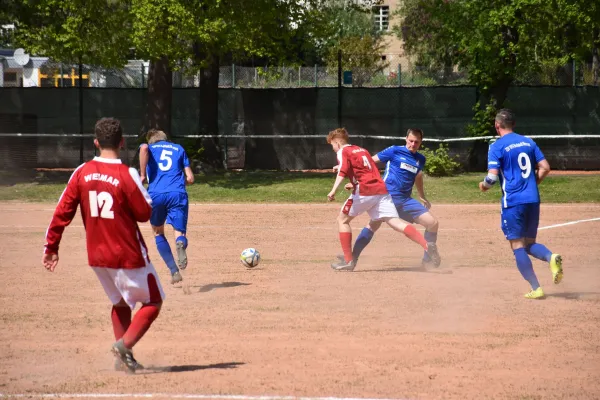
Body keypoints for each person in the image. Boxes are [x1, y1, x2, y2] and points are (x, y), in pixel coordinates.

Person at [42, 117, 164, 373]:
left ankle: (122, 361)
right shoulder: (126, 174)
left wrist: (52, 248)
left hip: (97, 255)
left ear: (96, 142)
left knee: (120, 302)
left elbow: (62, 211)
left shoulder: (81, 172)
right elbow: (143, 213)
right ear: (122, 142)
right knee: (153, 301)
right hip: (127, 254)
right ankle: (124, 346)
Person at [326, 128, 440, 271]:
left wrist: (422, 196)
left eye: (416, 142)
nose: (413, 144)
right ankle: (352, 257)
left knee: (433, 223)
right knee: (375, 224)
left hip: (402, 199)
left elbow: (418, 176)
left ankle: (427, 258)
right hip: (388, 194)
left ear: (421, 142)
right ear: (406, 139)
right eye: (410, 141)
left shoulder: (420, 159)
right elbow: (368, 162)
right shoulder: (394, 150)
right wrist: (357, 179)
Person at [479, 109, 563, 299]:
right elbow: (545, 168)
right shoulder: (529, 142)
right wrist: (532, 184)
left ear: (496, 125)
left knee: (517, 245)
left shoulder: (497, 146)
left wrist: (483, 186)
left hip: (514, 202)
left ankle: (536, 288)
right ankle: (551, 257)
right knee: (528, 244)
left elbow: (492, 178)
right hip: (533, 199)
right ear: (514, 124)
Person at [139, 129, 194, 285]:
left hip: (155, 194)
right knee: (179, 232)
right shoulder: (179, 148)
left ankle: (174, 271)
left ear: (151, 141)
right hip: (177, 193)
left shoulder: (149, 148)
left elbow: (143, 148)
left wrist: (142, 175)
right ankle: (181, 243)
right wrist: (178, 184)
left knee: (158, 232)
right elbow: (190, 178)